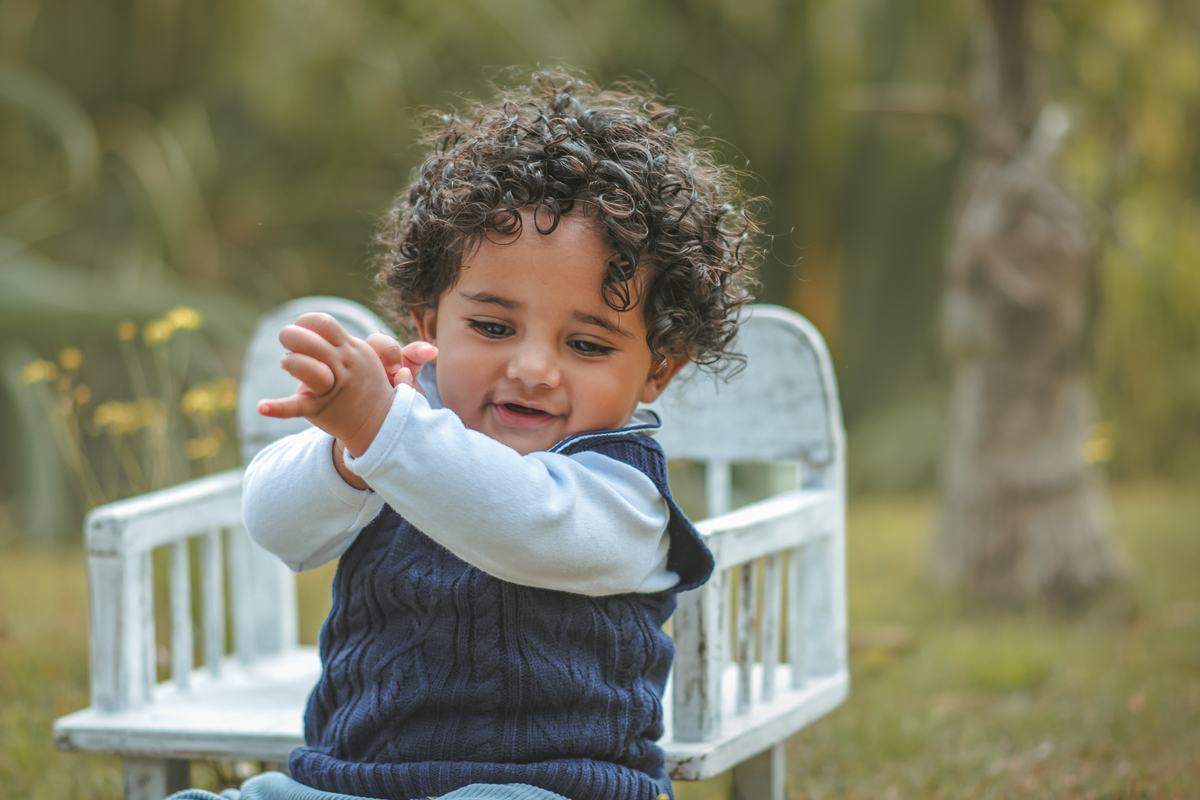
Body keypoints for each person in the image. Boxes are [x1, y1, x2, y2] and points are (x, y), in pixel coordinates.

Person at [170, 71, 758, 800]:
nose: (534, 368)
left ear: (657, 370)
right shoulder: (399, 431)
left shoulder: (623, 495)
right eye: (492, 327)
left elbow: (520, 519)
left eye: (588, 345)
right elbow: (276, 525)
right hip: (351, 784)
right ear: (427, 323)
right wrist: (349, 453)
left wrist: (385, 431)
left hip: (549, 791)